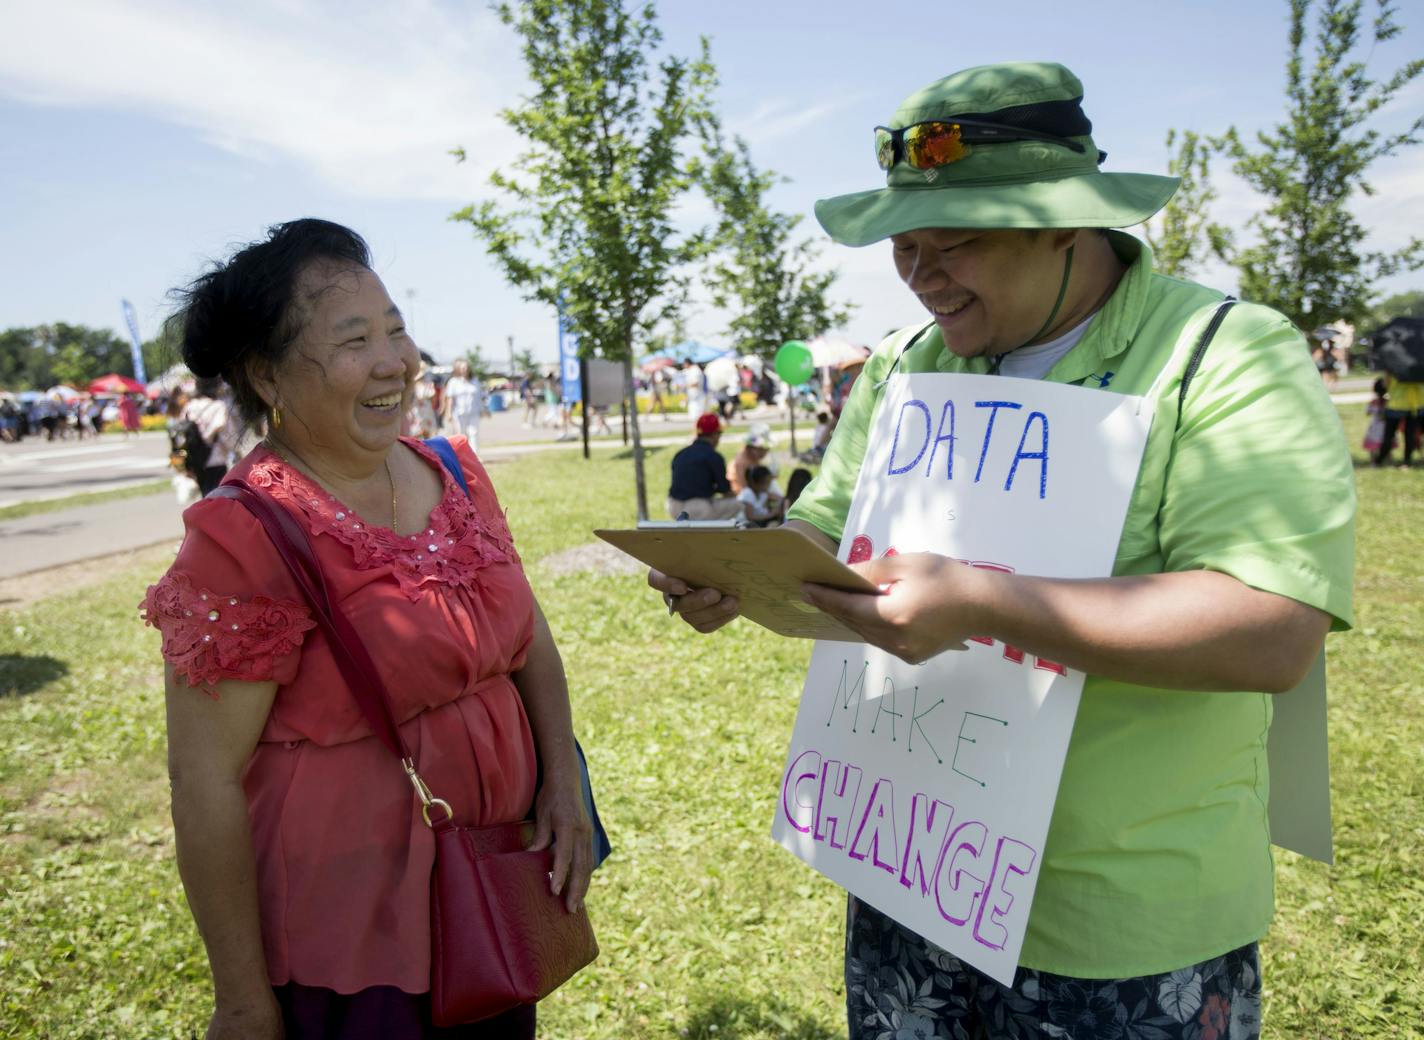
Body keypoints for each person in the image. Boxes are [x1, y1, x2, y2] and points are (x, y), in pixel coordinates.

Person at [649, 62, 1355, 1038]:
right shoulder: (907, 362)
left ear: (1066, 218)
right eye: (903, 243)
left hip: (1114, 922)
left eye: (957, 240)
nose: (920, 271)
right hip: (916, 873)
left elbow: (1269, 627)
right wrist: (740, 567)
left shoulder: (1221, 355)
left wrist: (983, 601)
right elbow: (830, 532)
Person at [141, 219, 593, 1039]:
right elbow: (202, 779)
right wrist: (241, 1000)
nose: (394, 361)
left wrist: (562, 782)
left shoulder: (453, 469)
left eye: (397, 329)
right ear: (266, 374)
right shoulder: (247, 534)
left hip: (491, 891)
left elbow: (530, 637)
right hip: (349, 947)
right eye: (355, 339)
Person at [666, 413, 743, 520]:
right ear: (714, 435)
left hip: (673, 505)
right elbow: (725, 490)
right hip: (698, 507)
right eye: (719, 433)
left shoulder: (681, 453)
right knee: (739, 504)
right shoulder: (714, 456)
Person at [180, 376, 238, 495]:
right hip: (215, 457)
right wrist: (235, 451)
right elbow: (226, 434)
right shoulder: (218, 406)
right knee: (216, 495)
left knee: (204, 494)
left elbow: (182, 431)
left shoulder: (190, 406)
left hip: (196, 458)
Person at [1373, 372, 1422, 468]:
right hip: (1413, 406)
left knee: (1389, 436)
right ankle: (1407, 462)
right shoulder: (1417, 369)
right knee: (1409, 436)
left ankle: (1379, 460)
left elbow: (1385, 385)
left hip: (1395, 406)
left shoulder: (1392, 370)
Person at [441, 359, 484, 452]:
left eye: (466, 368)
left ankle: (475, 454)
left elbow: (479, 396)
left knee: (474, 433)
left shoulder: (475, 381)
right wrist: (448, 412)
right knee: (461, 434)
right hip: (459, 412)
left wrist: (483, 409)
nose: (465, 370)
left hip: (473, 411)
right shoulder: (453, 382)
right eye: (462, 368)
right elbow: (450, 398)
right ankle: (463, 455)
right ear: (458, 369)